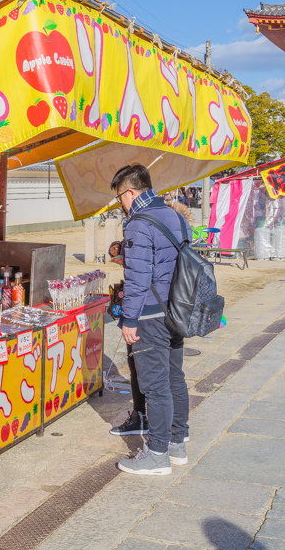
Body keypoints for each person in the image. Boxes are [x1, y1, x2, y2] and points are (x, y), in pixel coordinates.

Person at [111, 164, 190, 476]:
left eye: (120, 198)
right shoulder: (174, 215)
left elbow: (137, 278)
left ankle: (156, 454)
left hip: (150, 313)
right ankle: (177, 444)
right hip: (177, 308)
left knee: (155, 386)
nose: (120, 204)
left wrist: (129, 319)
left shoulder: (139, 223)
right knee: (174, 378)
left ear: (131, 192)